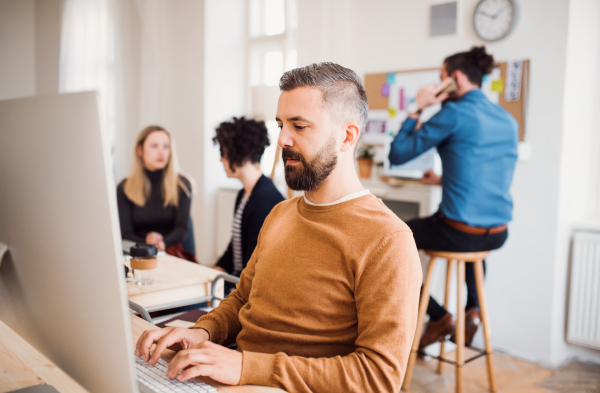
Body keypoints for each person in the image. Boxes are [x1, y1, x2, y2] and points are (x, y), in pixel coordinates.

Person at [135, 63, 422, 392]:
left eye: (299, 126)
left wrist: (247, 366)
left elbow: (378, 377)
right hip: (239, 375)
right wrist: (201, 332)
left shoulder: (388, 239)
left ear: (347, 136)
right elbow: (242, 299)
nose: (283, 140)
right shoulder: (280, 214)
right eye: (281, 125)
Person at [388, 46, 518, 349]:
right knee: (472, 241)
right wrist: (443, 180)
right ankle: (472, 310)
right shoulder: (506, 119)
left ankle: (438, 317)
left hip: (459, 232)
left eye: (441, 78)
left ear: (456, 78)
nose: (438, 84)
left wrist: (416, 108)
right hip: (497, 233)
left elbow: (398, 154)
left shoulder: (454, 113)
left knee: (389, 240)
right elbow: (486, 173)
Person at [212, 117, 284, 292]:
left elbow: (254, 269)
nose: (221, 159)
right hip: (237, 281)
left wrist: (219, 283)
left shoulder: (264, 200)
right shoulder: (244, 194)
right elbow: (235, 247)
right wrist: (215, 271)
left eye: (223, 152)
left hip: (249, 290)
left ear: (240, 154)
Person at [117, 125, 192, 253]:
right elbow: (125, 233)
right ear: (139, 150)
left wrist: (163, 243)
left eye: (166, 146)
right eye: (154, 146)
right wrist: (146, 242)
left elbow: (181, 228)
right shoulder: (124, 188)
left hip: (170, 250)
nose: (161, 152)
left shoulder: (182, 185)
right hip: (137, 250)